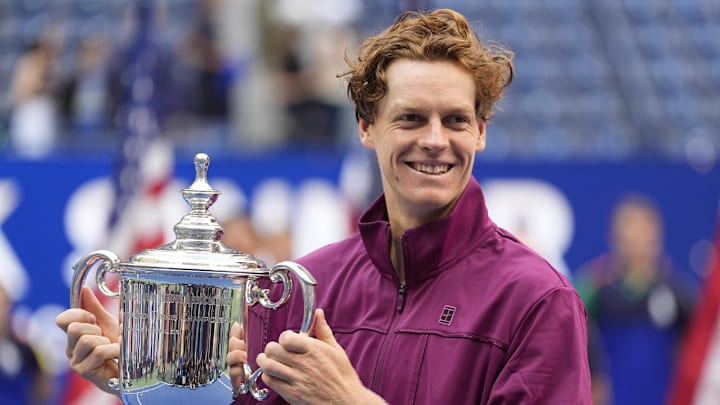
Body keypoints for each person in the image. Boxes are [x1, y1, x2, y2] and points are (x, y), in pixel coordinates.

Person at [55, 8, 592, 404]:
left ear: (480, 132)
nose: (434, 139)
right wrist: (153, 379)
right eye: (409, 118)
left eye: (454, 120)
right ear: (366, 127)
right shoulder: (307, 284)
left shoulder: (537, 298)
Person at [574, 194, 697, 405]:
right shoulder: (592, 288)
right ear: (614, 236)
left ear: (657, 236)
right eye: (630, 232)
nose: (637, 240)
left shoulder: (678, 291)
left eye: (644, 232)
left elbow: (696, 350)